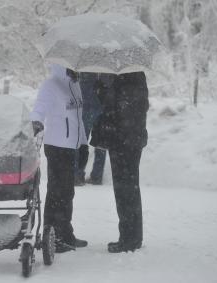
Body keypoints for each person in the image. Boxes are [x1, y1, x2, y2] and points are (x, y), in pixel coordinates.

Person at [30, 64, 88, 253]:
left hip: (72, 146)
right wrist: (36, 122)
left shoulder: (75, 84)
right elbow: (39, 108)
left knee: (67, 192)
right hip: (57, 145)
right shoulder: (51, 84)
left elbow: (78, 119)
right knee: (57, 192)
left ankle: (65, 233)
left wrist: (84, 143)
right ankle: (53, 236)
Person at [90, 71, 149, 253]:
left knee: (125, 191)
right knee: (130, 189)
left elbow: (114, 108)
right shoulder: (137, 78)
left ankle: (129, 239)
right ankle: (132, 237)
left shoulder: (125, 81)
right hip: (132, 140)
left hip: (123, 141)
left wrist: (101, 89)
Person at [74, 72, 107, 186]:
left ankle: (77, 174)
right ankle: (97, 176)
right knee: (101, 142)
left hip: (86, 106)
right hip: (103, 107)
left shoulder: (85, 65)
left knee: (81, 141)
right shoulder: (107, 66)